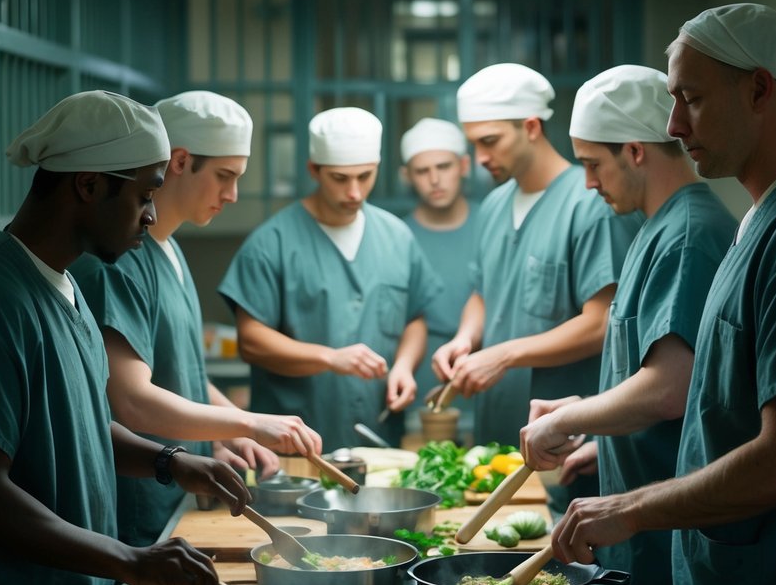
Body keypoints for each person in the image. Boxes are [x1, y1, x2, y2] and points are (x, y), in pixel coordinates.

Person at [0, 91, 250, 585]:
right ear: (87, 186)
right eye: (145, 194)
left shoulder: (63, 288)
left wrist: (168, 460)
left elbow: (82, 422)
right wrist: (129, 559)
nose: (153, 214)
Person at [546, 4, 776, 585]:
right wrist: (598, 449)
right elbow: (715, 405)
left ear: (760, 90)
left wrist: (631, 506)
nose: (673, 121)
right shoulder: (755, 220)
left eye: (689, 99)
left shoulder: (771, 234)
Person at [519, 65, 736, 585]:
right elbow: (654, 376)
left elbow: (668, 389)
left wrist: (567, 418)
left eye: (594, 164)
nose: (586, 183)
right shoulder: (655, 227)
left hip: (666, 533)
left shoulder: (690, 234)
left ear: (635, 151)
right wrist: (596, 433)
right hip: (635, 522)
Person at [72, 90, 322, 547]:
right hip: (139, 503)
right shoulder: (121, 260)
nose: (232, 195)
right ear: (181, 161)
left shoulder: (171, 248)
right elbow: (133, 401)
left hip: (176, 493)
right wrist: (247, 423)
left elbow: (181, 371)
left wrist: (226, 429)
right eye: (225, 176)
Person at [431, 64, 640, 506]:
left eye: (491, 141)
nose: (481, 156)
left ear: (530, 127)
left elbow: (600, 323)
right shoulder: (493, 205)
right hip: (497, 433)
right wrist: (466, 340)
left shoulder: (591, 204)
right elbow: (483, 292)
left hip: (562, 442)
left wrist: (503, 355)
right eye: (474, 143)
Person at [218, 106, 442, 451]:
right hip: (295, 444)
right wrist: (329, 358)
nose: (354, 191)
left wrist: (404, 366)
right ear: (314, 170)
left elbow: (414, 318)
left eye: (365, 176)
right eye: (340, 178)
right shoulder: (271, 243)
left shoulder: (396, 237)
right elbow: (251, 341)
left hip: (377, 437)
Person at [400, 118, 479, 415]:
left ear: (464, 166)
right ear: (407, 175)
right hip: (418, 386)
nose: (435, 179)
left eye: (443, 167)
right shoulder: (397, 237)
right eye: (422, 171)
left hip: (485, 380)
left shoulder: (494, 226)